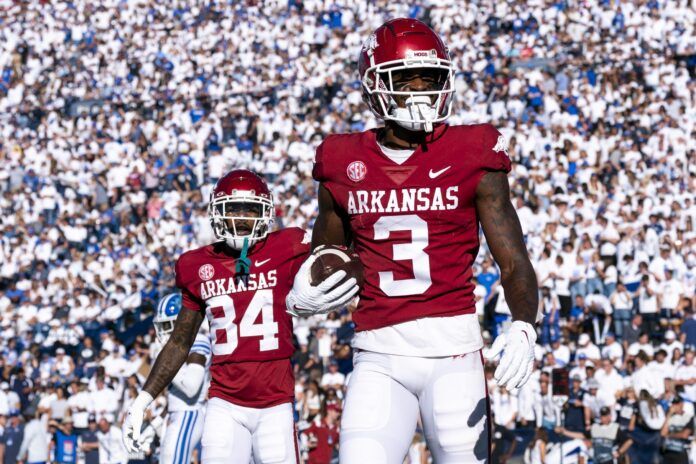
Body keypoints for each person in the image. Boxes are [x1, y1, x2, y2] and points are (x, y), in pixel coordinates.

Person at [290, 17, 539, 463]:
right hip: (377, 352)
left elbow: (515, 261)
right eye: (406, 79)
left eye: (431, 78)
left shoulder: (473, 150)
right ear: (374, 86)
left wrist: (523, 323)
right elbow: (325, 256)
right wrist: (302, 291)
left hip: (456, 352)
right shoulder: (341, 160)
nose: (421, 90)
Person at [123, 169, 354, 463]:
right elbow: (180, 342)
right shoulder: (196, 265)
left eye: (251, 210)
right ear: (216, 212)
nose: (242, 218)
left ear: (266, 212)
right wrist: (143, 400)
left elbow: (341, 241)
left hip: (277, 405)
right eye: (233, 209)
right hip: (224, 404)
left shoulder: (289, 244)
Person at [152, 292, 211, 463]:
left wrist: (166, 360)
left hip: (188, 414)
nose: (162, 333)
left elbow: (191, 387)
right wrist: (159, 420)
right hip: (177, 414)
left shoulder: (198, 341)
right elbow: (175, 393)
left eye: (167, 325)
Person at [660, 397, 694, 464]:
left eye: (676, 404)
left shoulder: (689, 417)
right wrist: (669, 414)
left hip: (681, 452)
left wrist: (669, 435)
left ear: (681, 404)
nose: (674, 406)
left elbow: (684, 435)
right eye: (673, 404)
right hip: (668, 451)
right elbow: (663, 433)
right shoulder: (669, 417)